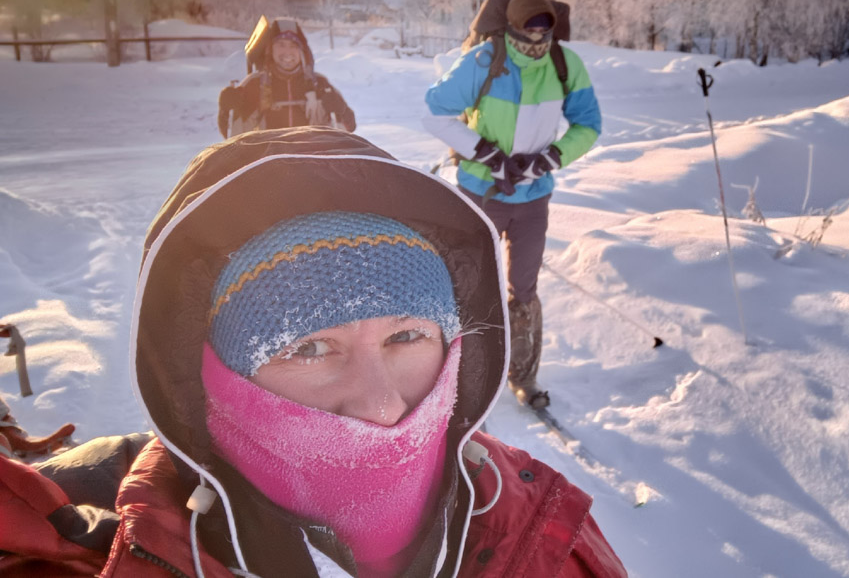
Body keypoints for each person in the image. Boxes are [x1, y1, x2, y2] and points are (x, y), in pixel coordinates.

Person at [0, 127, 626, 577]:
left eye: (407, 336)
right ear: (209, 374)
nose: (382, 407)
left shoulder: (547, 530)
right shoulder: (73, 549)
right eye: (310, 347)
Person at [423, 0, 602, 409]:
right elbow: (434, 112)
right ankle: (461, 378)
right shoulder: (485, 61)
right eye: (530, 28)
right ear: (513, 25)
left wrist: (548, 159)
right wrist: (488, 155)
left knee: (524, 289)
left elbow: (589, 124)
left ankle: (524, 376)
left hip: (533, 197)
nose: (538, 37)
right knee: (469, 284)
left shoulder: (564, 64)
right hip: (482, 192)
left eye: (545, 29)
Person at [217, 17, 356, 138]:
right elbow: (230, 136)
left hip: (312, 163)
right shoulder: (254, 84)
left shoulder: (320, 84)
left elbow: (350, 128)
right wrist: (225, 111)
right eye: (281, 45)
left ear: (302, 51)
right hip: (269, 163)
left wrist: (341, 109)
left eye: (293, 45)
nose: (287, 52)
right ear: (270, 49)